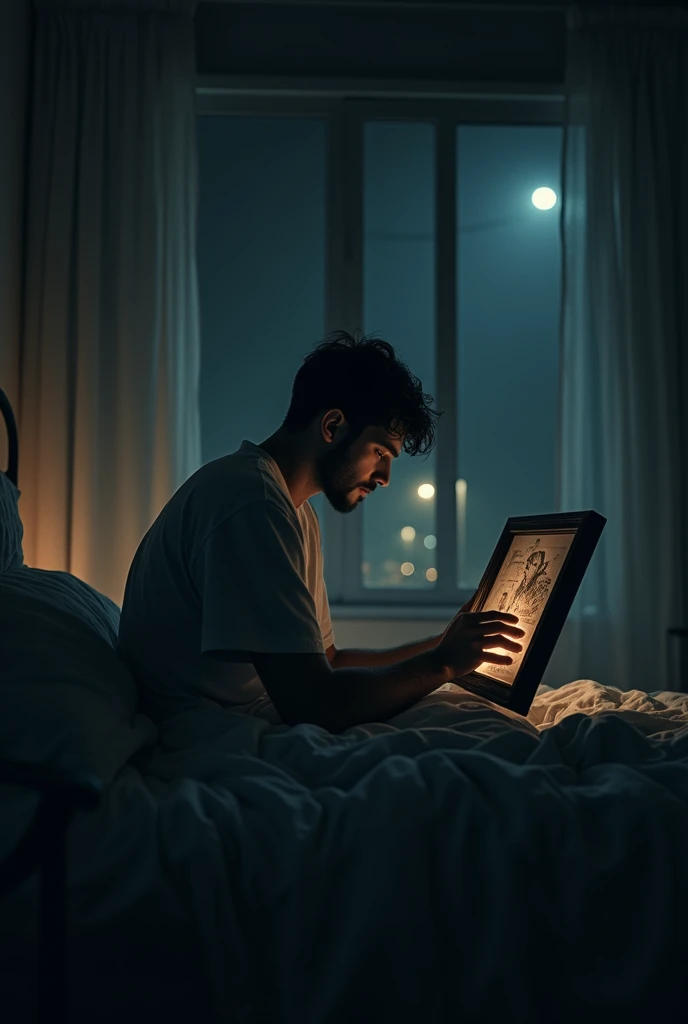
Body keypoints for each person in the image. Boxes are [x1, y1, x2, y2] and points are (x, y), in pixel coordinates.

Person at [117, 331, 523, 732]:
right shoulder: (249, 501)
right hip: (199, 731)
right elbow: (314, 703)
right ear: (332, 426)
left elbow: (328, 660)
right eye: (380, 452)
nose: (384, 477)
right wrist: (443, 664)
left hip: (242, 714)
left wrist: (444, 644)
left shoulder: (293, 511)